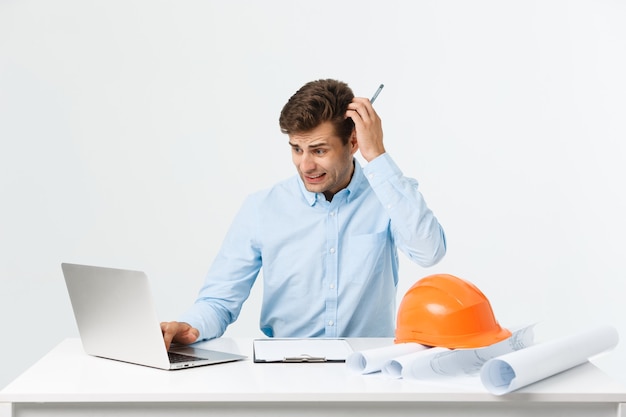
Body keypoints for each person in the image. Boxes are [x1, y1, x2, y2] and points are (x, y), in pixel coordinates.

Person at [161, 79, 446, 350]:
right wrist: (189, 326)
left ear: (353, 143)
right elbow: (219, 301)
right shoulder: (262, 208)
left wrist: (378, 156)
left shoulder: (389, 197)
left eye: (319, 150)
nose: (305, 165)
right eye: (297, 149)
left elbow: (429, 251)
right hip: (286, 374)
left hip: (367, 372)